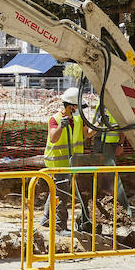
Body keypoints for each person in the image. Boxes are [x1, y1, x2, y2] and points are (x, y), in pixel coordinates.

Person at [42, 86, 90, 231]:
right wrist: (60, 127)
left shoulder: (77, 120)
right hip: (57, 163)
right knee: (62, 195)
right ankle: (59, 226)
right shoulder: (55, 119)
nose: (80, 109)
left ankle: (46, 219)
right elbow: (53, 137)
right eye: (78, 107)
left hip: (71, 163)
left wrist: (99, 124)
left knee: (56, 191)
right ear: (70, 107)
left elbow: (87, 134)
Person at [96, 107, 131, 217]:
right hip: (99, 143)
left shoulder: (114, 103)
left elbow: (122, 126)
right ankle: (101, 200)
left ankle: (115, 203)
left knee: (110, 174)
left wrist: (121, 144)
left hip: (110, 144)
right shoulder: (100, 104)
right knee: (99, 174)